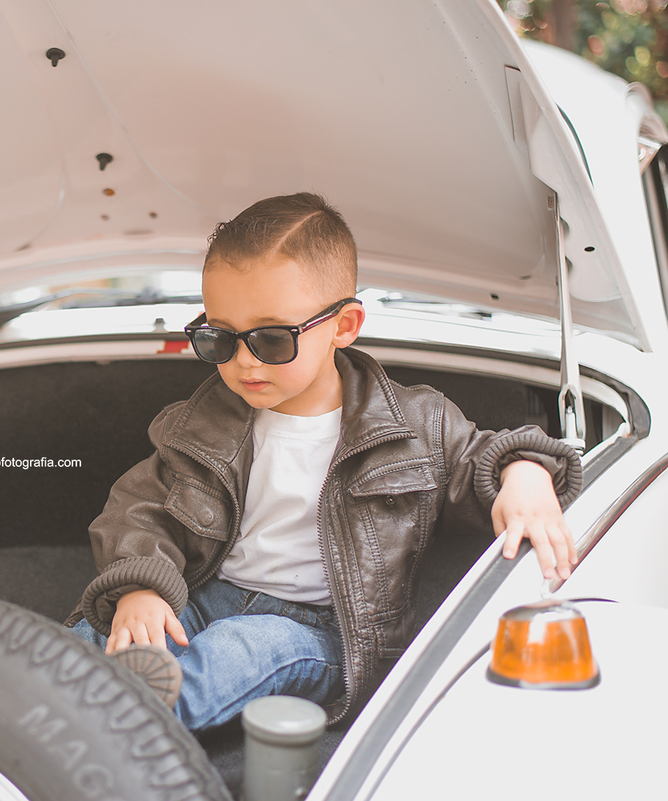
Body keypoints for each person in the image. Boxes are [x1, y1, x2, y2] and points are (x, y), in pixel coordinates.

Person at [65, 193, 582, 731]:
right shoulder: (199, 425)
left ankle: (114, 723)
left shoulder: (414, 426)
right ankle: (42, 698)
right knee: (103, 634)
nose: (244, 361)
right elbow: (141, 506)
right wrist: (141, 587)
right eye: (219, 337)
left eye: (271, 337)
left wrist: (523, 472)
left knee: (240, 652)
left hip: (330, 630)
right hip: (206, 592)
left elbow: (488, 456)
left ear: (344, 325)